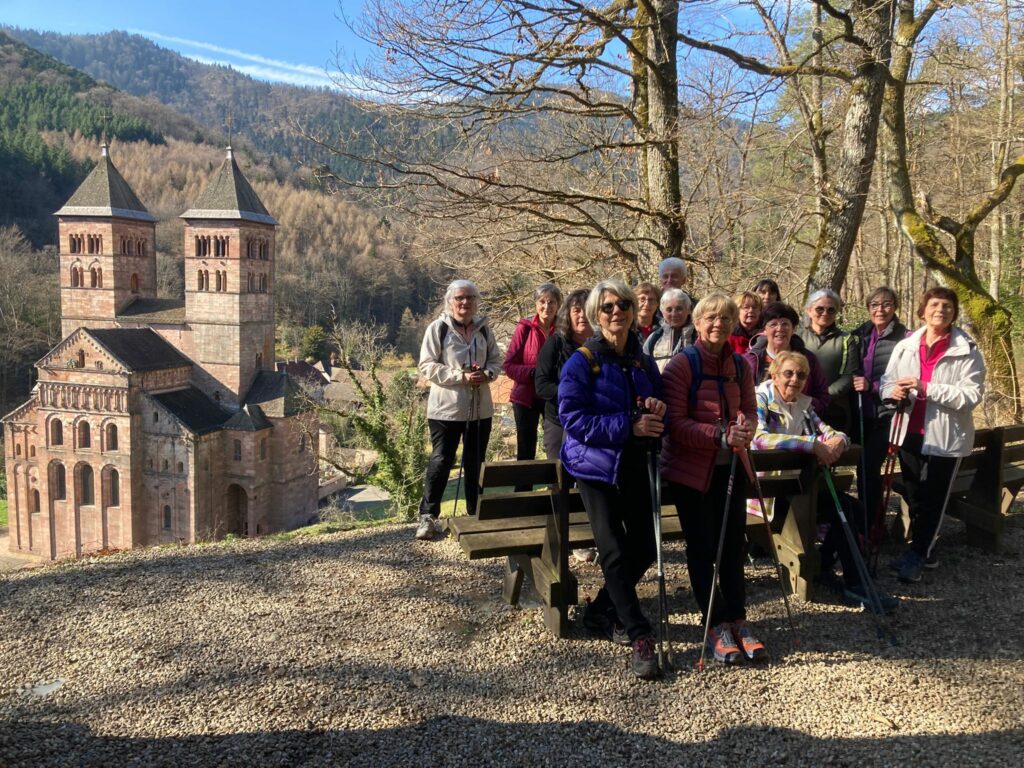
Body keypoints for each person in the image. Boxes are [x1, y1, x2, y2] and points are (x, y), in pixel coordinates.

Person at [559, 279, 666, 680]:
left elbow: (661, 409)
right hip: (594, 467)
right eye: (607, 307)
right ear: (595, 315)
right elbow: (573, 419)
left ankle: (602, 608)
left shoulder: (643, 362)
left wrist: (656, 409)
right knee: (613, 550)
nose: (617, 311)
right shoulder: (581, 362)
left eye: (623, 304)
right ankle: (637, 632)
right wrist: (629, 425)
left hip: (634, 464)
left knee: (645, 545)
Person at [662, 292, 766, 665]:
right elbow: (674, 424)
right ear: (697, 322)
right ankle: (715, 622)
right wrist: (718, 435)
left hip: (732, 466)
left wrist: (746, 428)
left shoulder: (740, 365)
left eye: (725, 318)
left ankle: (737, 618)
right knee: (703, 548)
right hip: (691, 472)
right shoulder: (681, 365)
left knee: (734, 546)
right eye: (710, 317)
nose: (718, 324)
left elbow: (750, 409)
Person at [752, 351, 899, 613]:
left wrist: (839, 441)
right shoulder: (760, 398)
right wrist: (810, 444)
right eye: (788, 373)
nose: (794, 380)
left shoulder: (804, 405)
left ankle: (828, 566)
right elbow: (759, 439)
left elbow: (832, 433)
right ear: (774, 375)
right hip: (767, 493)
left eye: (801, 375)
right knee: (843, 508)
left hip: (798, 488)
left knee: (855, 509)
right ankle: (854, 583)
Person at [881, 286, 986, 583]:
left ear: (954, 312)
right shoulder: (906, 346)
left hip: (945, 436)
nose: (940, 310)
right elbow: (887, 381)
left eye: (947, 306)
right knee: (914, 495)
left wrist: (926, 388)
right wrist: (892, 392)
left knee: (934, 499)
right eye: (934, 305)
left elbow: (970, 396)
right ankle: (924, 550)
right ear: (923, 311)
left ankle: (918, 554)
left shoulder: (966, 349)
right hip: (908, 432)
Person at [415, 280, 501, 540]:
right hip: (446, 410)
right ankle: (428, 516)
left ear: (477, 302)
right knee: (441, 461)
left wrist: (487, 373)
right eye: (460, 298)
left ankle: (476, 514)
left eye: (470, 298)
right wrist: (460, 376)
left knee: (476, 462)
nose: (465, 303)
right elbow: (426, 366)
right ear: (449, 302)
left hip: (480, 409)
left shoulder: (484, 329)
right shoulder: (438, 328)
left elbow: (496, 361)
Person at [851, 287, 911, 535]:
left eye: (887, 304)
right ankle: (869, 523)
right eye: (875, 304)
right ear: (868, 308)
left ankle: (872, 526)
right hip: (861, 414)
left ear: (895, 307)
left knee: (868, 468)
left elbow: (905, 377)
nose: (880, 309)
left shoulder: (905, 338)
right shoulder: (859, 335)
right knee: (865, 470)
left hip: (888, 414)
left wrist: (872, 386)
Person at [503, 283, 562, 482]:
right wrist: (534, 374)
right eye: (542, 302)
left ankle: (555, 491)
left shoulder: (563, 330)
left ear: (558, 304)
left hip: (552, 397)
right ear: (535, 304)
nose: (547, 307)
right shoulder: (524, 328)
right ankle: (523, 493)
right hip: (525, 398)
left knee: (555, 445)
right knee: (526, 449)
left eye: (551, 302)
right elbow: (509, 365)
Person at [534, 289, 592, 461]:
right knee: (558, 473)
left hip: (594, 421)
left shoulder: (603, 345)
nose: (582, 315)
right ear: (568, 315)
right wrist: (574, 394)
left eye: (587, 310)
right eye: (577, 310)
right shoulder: (555, 343)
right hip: (558, 421)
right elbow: (542, 386)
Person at [745, 301, 829, 416]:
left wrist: (802, 405)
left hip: (800, 421)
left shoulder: (808, 359)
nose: (780, 329)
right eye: (773, 324)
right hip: (759, 420)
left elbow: (823, 397)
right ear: (764, 330)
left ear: (793, 329)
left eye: (785, 324)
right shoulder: (750, 360)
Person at [797, 289, 860, 433]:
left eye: (831, 310)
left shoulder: (846, 340)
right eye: (819, 309)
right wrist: (804, 399)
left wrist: (822, 397)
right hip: (800, 408)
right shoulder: (797, 337)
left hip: (835, 410)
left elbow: (848, 376)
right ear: (809, 310)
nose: (825, 313)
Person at [643, 288, 694, 371]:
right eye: (669, 310)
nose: (674, 314)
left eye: (679, 309)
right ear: (662, 312)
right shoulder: (654, 338)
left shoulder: (699, 336)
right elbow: (645, 367)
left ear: (689, 309)